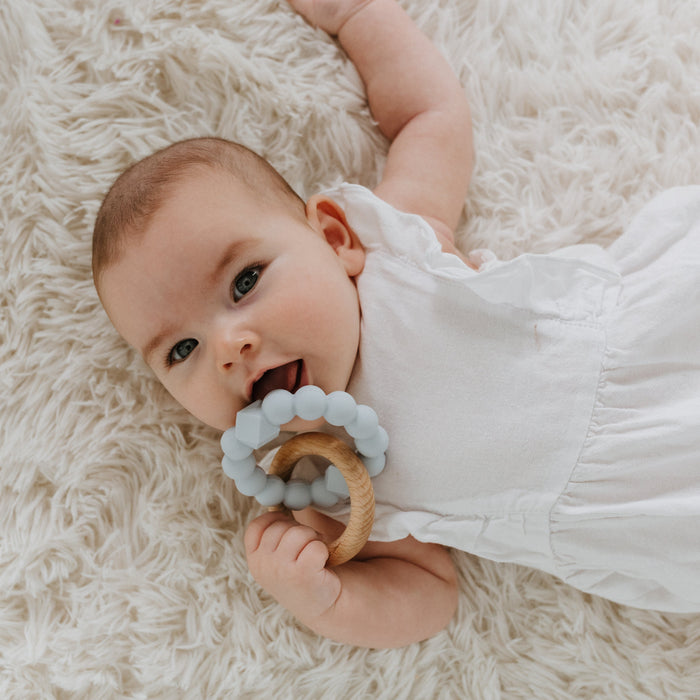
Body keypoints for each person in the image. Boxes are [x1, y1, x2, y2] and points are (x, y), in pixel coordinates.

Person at [92, 0, 700, 649]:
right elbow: (427, 592)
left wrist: (357, 19)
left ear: (332, 237)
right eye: (181, 349)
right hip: (644, 505)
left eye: (245, 281)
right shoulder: (321, 483)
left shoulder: (393, 252)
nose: (228, 346)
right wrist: (325, 598)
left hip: (649, 336)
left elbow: (428, 116)